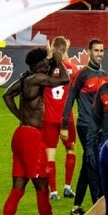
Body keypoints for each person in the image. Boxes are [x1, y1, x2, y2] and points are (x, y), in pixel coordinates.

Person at [0, 47, 72, 215]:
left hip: (20, 135)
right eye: (46, 61)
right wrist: (59, 61)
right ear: (39, 64)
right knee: (42, 188)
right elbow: (65, 80)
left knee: (17, 188)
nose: (49, 64)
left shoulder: (25, 78)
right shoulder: (38, 78)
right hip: (32, 138)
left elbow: (6, 95)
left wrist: (20, 116)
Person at [61, 39, 108, 215]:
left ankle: (77, 206)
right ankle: (98, 205)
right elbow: (70, 99)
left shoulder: (105, 75)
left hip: (100, 127)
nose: (99, 54)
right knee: (93, 163)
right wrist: (64, 124)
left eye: (102, 50)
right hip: (85, 125)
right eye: (96, 50)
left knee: (87, 164)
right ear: (88, 51)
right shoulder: (81, 75)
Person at [42, 36, 78, 202]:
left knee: (50, 155)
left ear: (52, 49)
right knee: (70, 150)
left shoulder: (46, 71)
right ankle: (67, 187)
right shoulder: (72, 68)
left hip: (49, 119)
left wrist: (51, 56)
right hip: (67, 119)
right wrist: (66, 54)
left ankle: (53, 191)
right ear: (66, 49)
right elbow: (69, 68)